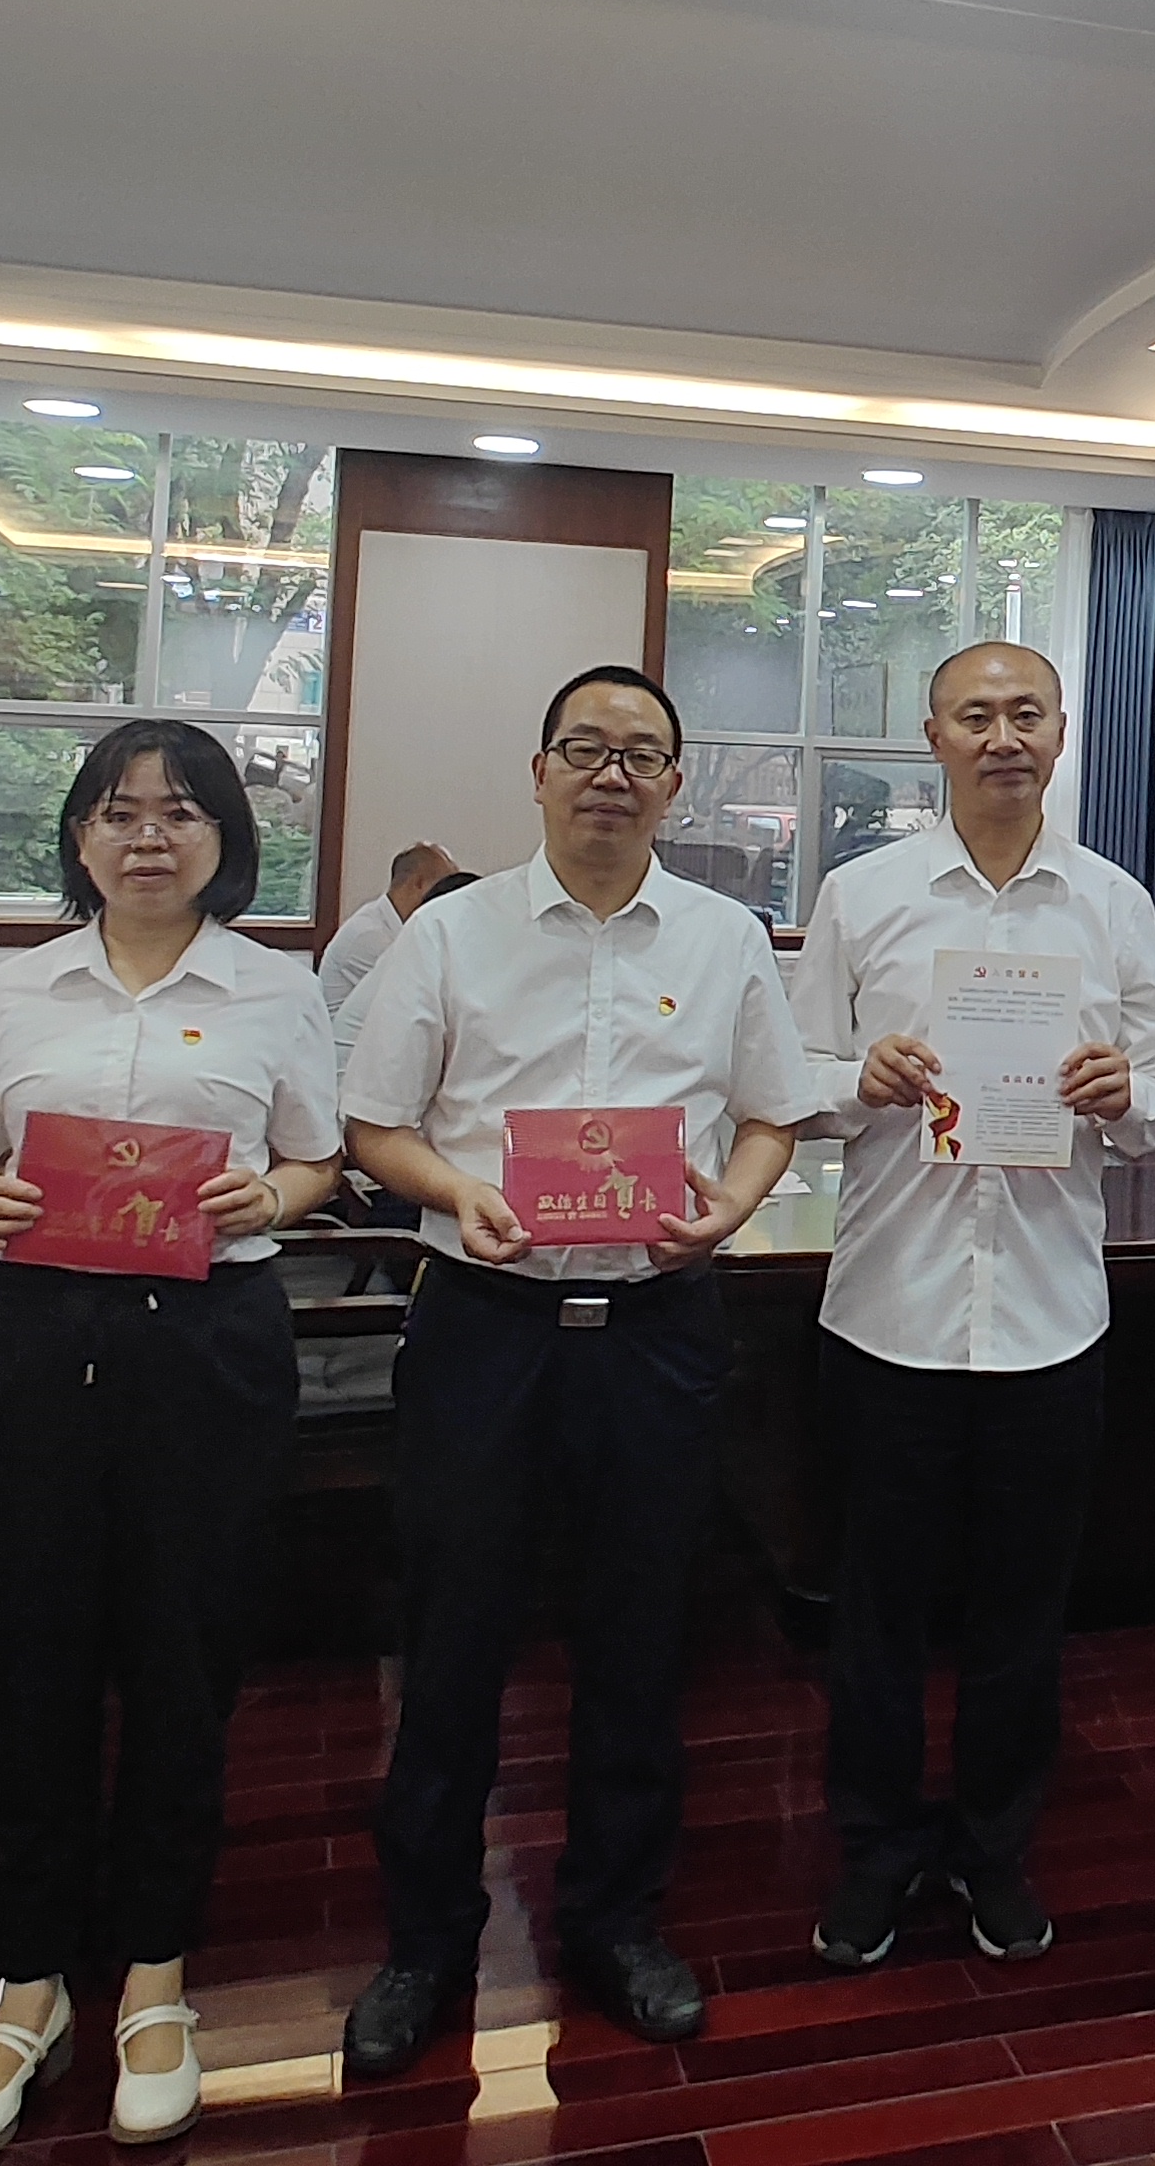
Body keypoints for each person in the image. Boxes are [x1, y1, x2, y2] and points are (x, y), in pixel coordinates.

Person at [333, 665, 829, 2065]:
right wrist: (458, 1189)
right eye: (586, 748)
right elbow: (374, 1125)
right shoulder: (452, 934)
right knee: (453, 1640)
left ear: (675, 783)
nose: (612, 774)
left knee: (640, 1638)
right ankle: (426, 1941)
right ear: (540, 770)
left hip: (655, 1331)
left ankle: (617, 1919)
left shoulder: (726, 938)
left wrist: (729, 1210)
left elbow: (773, 1117)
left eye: (641, 754)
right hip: (484, 1325)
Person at [0, 723, 343, 2158]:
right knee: (27, 1659)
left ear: (226, 838)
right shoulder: (9, 992)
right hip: (31, 1348)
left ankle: (157, 1976)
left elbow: (315, 1155)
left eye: (180, 813)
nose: (148, 837)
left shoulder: (277, 991)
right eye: (117, 813)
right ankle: (27, 1987)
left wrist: (270, 1201)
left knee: (183, 1656)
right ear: (79, 839)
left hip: (207, 1350)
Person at [787, 641, 1155, 1971]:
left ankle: (996, 1848)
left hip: (1051, 1317)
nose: (1002, 737)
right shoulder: (863, 894)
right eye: (976, 716)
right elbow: (796, 1075)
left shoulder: (1114, 903)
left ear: (1061, 733)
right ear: (934, 736)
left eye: (1025, 715)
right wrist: (861, 1078)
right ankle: (876, 1849)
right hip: (890, 1313)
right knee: (878, 1615)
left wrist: (1128, 1096)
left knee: (1024, 1616)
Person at [320, 839, 463, 1039]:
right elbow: (419, 1000)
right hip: (350, 1050)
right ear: (419, 883)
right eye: (444, 887)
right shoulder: (368, 935)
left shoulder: (398, 927)